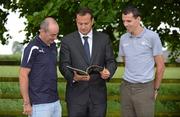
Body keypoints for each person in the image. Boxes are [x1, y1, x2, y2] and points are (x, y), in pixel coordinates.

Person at [59, 7, 117, 117]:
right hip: (76, 97)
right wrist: (73, 77)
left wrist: (108, 72)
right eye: (80, 23)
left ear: (92, 21)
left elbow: (111, 61)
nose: (83, 27)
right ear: (76, 21)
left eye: (86, 23)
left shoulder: (104, 39)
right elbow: (63, 64)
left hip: (98, 97)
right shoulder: (67, 40)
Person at [118, 5, 165, 117]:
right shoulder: (123, 38)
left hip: (145, 88)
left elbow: (161, 66)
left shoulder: (152, 37)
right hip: (126, 87)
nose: (125, 24)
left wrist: (156, 89)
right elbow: (126, 61)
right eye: (123, 21)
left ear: (138, 19)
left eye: (129, 21)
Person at [19, 17, 62, 117]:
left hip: (55, 101)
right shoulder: (32, 47)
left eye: (56, 34)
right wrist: (26, 103)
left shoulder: (53, 46)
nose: (55, 38)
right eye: (52, 35)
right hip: (39, 104)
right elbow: (23, 75)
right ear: (42, 31)